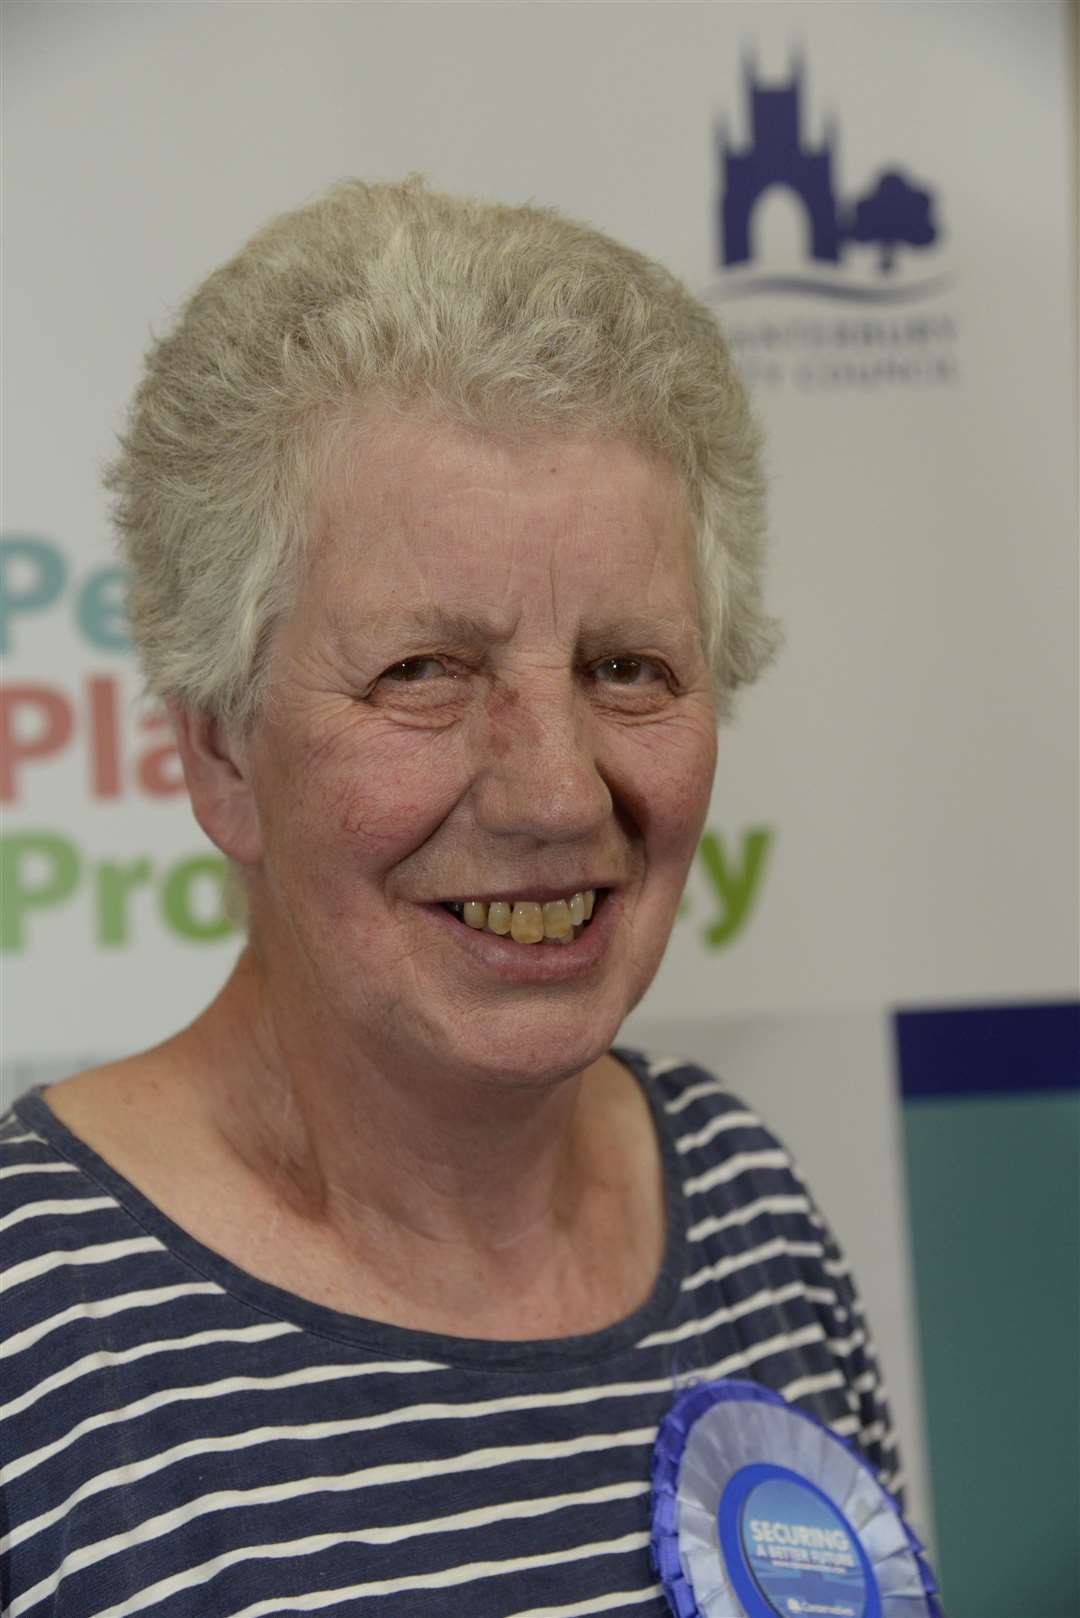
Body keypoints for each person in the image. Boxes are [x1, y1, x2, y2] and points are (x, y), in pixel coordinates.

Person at [1, 178, 898, 1617]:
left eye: (630, 668)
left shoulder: (745, 1207)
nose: (554, 793)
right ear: (222, 750)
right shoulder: (33, 1323)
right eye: (424, 670)